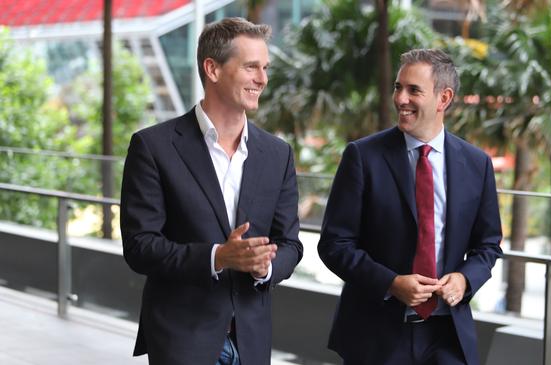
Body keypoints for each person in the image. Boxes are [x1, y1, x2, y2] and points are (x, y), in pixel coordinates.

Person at [120, 17, 303, 365]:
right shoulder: (153, 146)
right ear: (213, 69)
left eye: (265, 68)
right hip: (182, 338)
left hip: (252, 340)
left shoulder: (278, 154)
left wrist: (263, 267)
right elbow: (140, 246)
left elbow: (291, 244)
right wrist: (218, 256)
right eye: (251, 67)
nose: (262, 79)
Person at [318, 49, 503, 365]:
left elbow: (488, 245)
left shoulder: (477, 164)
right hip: (377, 336)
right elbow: (334, 245)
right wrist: (391, 283)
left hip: (447, 336)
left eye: (413, 90)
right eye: (397, 87)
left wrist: (465, 279)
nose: (400, 98)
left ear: (443, 99)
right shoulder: (362, 157)